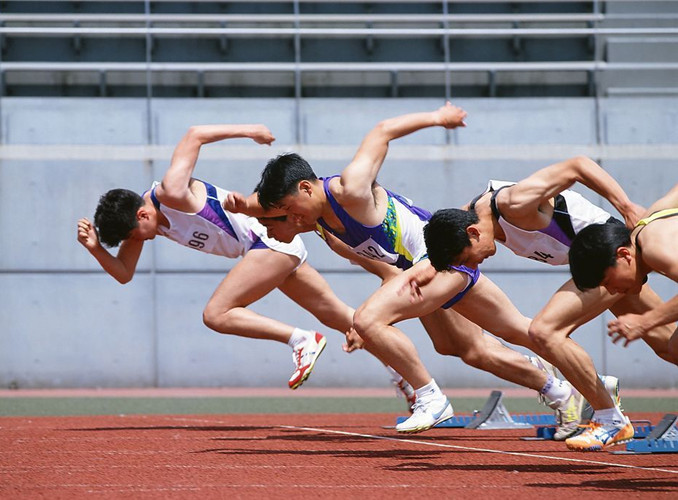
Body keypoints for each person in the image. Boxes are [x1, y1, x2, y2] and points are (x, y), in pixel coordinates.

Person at [231, 103, 583, 436]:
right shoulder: (324, 227)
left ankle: (430, 398)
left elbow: (382, 131)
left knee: (367, 319)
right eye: (281, 214)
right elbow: (386, 270)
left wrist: (439, 117)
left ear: (306, 188)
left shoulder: (349, 189)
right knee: (479, 344)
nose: (291, 219)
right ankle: (570, 391)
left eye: (290, 209)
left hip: (442, 259)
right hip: (423, 272)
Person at [76, 123, 414, 400]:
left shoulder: (171, 192)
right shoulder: (143, 225)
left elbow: (194, 134)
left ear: (142, 213)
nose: (140, 241)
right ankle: (406, 379)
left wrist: (250, 131)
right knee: (348, 320)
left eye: (137, 234)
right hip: (270, 251)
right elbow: (123, 273)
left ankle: (299, 339)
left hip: (266, 241)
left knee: (216, 314)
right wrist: (95, 248)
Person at [422, 156, 675, 451]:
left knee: (545, 331)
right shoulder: (468, 217)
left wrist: (626, 205)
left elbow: (577, 166)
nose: (474, 264)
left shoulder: (514, 203)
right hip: (598, 270)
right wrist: (417, 273)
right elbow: (437, 255)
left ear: (473, 234)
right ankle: (600, 393)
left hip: (610, 259)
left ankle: (610, 418)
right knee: (667, 343)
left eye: (468, 259)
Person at [569, 182, 678, 360]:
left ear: (623, 255)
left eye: (606, 282)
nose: (611, 291)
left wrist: (645, 322)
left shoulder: (655, 249)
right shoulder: (648, 221)